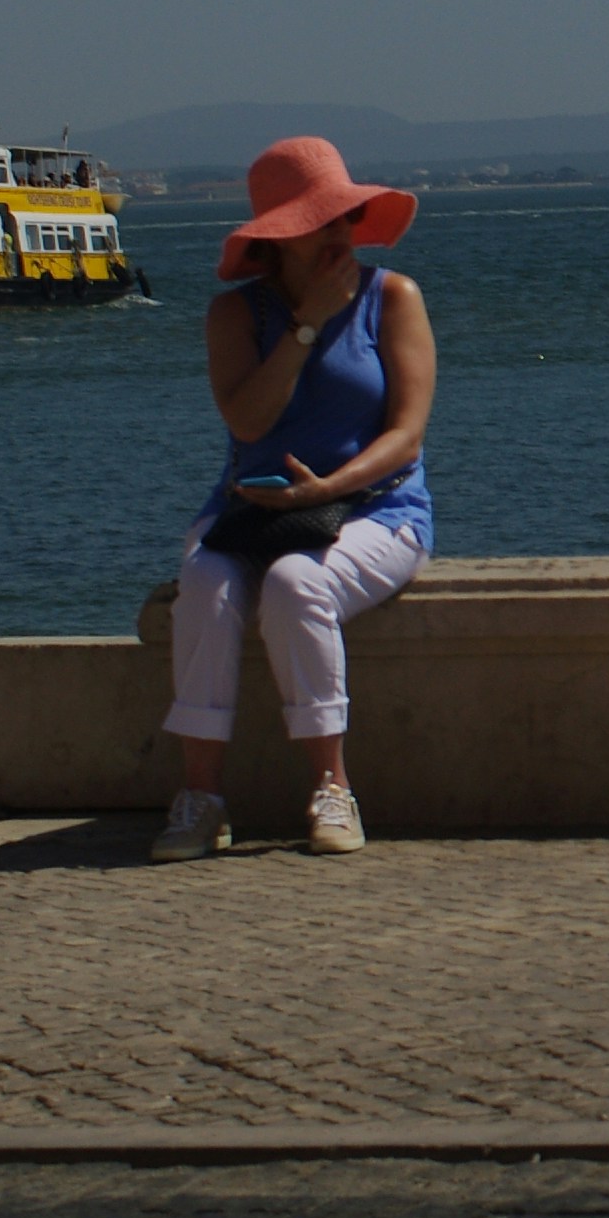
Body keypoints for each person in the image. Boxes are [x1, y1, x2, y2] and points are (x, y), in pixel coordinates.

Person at [152, 136, 436, 860]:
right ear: (282, 237)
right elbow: (248, 421)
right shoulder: (234, 317)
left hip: (378, 510)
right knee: (206, 586)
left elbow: (405, 435)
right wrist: (307, 326)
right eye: (323, 221)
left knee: (295, 584)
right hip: (251, 511)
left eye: (346, 217)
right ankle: (200, 800)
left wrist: (330, 489)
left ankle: (332, 789)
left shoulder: (392, 298)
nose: (341, 232)